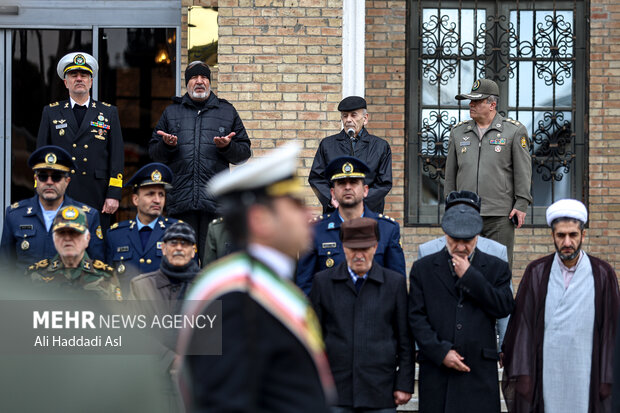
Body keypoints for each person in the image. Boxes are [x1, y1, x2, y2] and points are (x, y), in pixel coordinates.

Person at [176, 144, 334, 412]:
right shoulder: (236, 297)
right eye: (294, 204)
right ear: (260, 219)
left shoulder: (262, 284)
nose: (307, 215)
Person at [502, 199, 619, 413]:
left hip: (587, 368)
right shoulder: (536, 272)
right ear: (552, 237)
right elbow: (523, 325)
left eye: (573, 235)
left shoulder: (603, 274)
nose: (567, 242)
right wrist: (524, 373)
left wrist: (608, 377)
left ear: (583, 235)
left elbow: (612, 330)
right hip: (547, 368)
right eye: (561, 235)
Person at [408, 194, 514, 412]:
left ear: (477, 237)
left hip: (478, 374)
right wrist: (440, 352)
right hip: (438, 374)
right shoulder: (423, 268)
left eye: (467, 241)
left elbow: (504, 307)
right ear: (446, 234)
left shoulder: (496, 267)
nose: (460, 247)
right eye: (455, 240)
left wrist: (471, 278)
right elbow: (416, 317)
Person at [149, 60, 251, 263]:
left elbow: (244, 154)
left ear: (210, 82)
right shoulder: (171, 112)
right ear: (187, 83)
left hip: (215, 203)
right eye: (194, 77)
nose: (199, 81)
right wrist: (167, 145)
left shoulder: (227, 111)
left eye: (204, 77)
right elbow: (154, 154)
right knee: (181, 262)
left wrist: (227, 147)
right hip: (180, 201)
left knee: (213, 264)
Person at [310, 217, 413, 412]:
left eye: (365, 249)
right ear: (343, 247)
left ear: (375, 247)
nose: (359, 255)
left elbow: (405, 339)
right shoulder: (323, 282)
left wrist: (404, 383)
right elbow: (314, 338)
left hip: (380, 390)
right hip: (336, 391)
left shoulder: (394, 283)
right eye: (352, 249)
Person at [444, 78, 532, 267]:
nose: (471, 105)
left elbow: (523, 171)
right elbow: (450, 174)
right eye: (471, 101)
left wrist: (522, 203)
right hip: (465, 211)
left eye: (477, 101)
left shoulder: (514, 131)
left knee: (499, 268)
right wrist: (450, 204)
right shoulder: (458, 133)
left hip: (500, 215)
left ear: (492, 104)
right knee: (462, 265)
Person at [37, 52, 124, 231]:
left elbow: (116, 156)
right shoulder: (51, 112)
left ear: (91, 81)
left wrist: (113, 194)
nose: (79, 79)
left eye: (83, 75)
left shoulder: (108, 113)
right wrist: (43, 192)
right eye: (73, 75)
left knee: (96, 250)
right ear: (65, 82)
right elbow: (41, 157)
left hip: (97, 193)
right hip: (61, 192)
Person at [417, 190, 512, 352]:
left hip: (480, 349)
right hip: (439, 347)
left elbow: (504, 305)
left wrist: (504, 345)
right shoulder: (427, 250)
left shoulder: (496, 251)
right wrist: (421, 347)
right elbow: (419, 308)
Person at [297, 156, 405, 295]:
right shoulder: (315, 231)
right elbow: (304, 287)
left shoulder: (387, 229)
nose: (347, 187)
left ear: (365, 190)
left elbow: (397, 285)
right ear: (333, 193)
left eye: (353, 182)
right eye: (341, 183)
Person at [0, 146, 104, 274]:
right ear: (35, 180)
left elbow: (97, 267)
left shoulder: (88, 216)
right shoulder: (15, 215)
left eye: (56, 177)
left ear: (67, 181)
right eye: (43, 177)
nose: (49, 182)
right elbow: (5, 267)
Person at [309, 96, 392, 214]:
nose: (348, 120)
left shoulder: (380, 146)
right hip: (335, 213)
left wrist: (361, 203)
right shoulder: (327, 145)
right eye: (344, 115)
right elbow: (316, 177)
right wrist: (331, 199)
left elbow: (384, 183)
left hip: (368, 214)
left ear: (365, 118)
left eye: (353, 115)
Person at [105, 162, 179, 291]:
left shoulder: (177, 232)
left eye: (161, 194)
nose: (157, 200)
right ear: (135, 200)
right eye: (150, 194)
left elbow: (188, 281)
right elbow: (106, 278)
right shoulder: (115, 234)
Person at [26, 205, 121, 300]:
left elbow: (115, 314)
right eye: (61, 233)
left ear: (87, 238)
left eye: (75, 233)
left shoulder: (106, 276)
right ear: (54, 238)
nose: (67, 238)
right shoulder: (36, 275)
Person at [129, 221, 199, 304]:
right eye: (173, 243)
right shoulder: (141, 287)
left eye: (185, 244)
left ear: (193, 251)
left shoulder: (208, 286)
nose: (179, 248)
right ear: (163, 249)